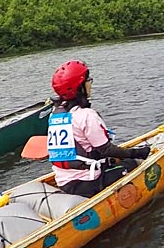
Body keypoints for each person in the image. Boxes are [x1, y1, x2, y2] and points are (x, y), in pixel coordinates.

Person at [47, 60, 150, 198]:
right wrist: (137, 153)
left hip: (64, 182)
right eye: (87, 80)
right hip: (88, 183)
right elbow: (106, 149)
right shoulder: (86, 115)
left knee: (112, 161)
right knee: (132, 163)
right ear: (79, 87)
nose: (90, 83)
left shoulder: (55, 115)